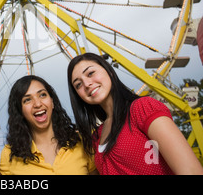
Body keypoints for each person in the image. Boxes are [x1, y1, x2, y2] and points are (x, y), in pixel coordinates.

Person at [67, 52, 203, 175]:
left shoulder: (142, 108)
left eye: (90, 73)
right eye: (78, 84)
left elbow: (190, 170)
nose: (87, 84)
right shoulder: (96, 137)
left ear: (110, 72)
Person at [0, 75, 96, 175]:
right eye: (27, 100)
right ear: (20, 111)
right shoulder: (8, 155)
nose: (37, 104)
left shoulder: (82, 143)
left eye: (42, 95)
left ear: (52, 102)